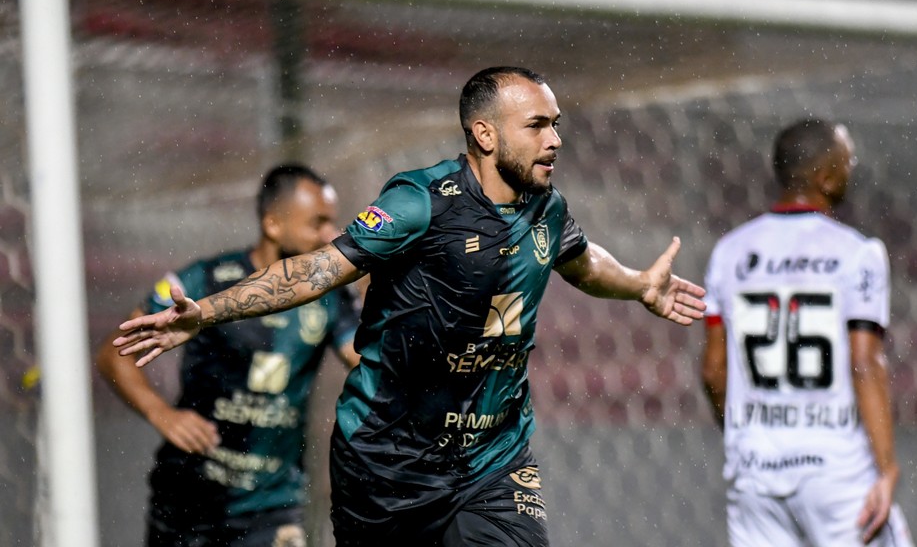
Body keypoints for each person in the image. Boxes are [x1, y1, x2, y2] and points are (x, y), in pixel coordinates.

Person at [114, 66, 707, 547]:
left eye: (556, 124)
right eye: (537, 125)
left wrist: (637, 284)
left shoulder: (545, 205)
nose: (555, 140)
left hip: (492, 455)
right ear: (485, 134)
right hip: (384, 460)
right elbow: (318, 269)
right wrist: (208, 312)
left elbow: (579, 259)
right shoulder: (419, 202)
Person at [96, 163, 361, 547]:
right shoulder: (206, 281)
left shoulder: (331, 295)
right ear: (273, 225)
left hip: (273, 504)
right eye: (317, 223)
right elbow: (112, 354)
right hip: (191, 496)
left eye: (331, 223)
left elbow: (365, 359)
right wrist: (162, 414)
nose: (329, 234)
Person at [700, 119, 913, 546]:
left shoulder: (731, 252)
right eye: (846, 158)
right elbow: (865, 361)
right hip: (836, 472)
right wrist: (886, 467)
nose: (852, 166)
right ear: (826, 175)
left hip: (756, 472)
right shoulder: (857, 253)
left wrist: (749, 438)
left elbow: (713, 371)